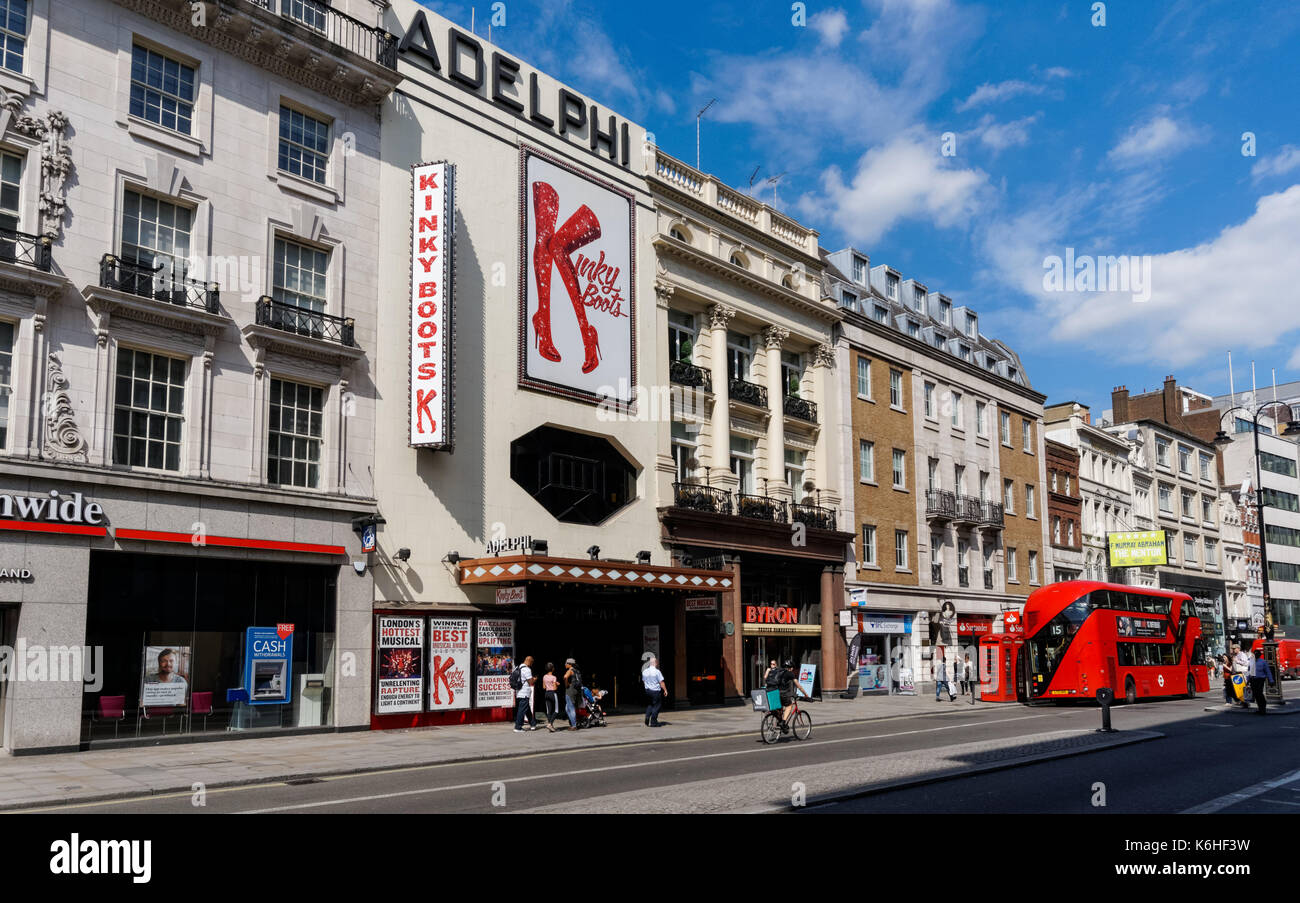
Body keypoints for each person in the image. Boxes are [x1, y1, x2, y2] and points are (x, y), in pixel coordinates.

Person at [768, 659, 809, 732]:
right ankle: (783, 722)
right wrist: (806, 695)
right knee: (789, 706)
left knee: (779, 708)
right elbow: (799, 686)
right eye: (792, 667)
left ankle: (779, 722)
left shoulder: (778, 671)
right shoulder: (790, 673)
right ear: (790, 667)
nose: (792, 669)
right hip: (783, 693)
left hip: (774, 692)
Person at [513, 655, 537, 732]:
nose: (531, 665)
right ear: (530, 661)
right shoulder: (527, 669)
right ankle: (518, 727)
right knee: (522, 710)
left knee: (526, 709)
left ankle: (532, 724)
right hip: (524, 692)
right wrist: (535, 679)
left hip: (519, 692)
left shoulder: (518, 667)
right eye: (532, 663)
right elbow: (530, 682)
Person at [643, 655, 668, 727]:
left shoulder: (645, 671)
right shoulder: (657, 672)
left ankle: (647, 717)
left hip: (648, 691)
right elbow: (661, 682)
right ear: (655, 663)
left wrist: (647, 688)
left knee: (650, 704)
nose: (657, 663)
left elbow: (644, 681)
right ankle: (653, 722)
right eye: (656, 662)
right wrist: (665, 690)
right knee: (657, 706)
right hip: (655, 691)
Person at [1249, 650, 1275, 716]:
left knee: (1259, 693)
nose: (1255, 655)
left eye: (1256, 654)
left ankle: (1263, 708)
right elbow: (1249, 671)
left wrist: (1271, 680)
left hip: (1260, 679)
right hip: (1253, 679)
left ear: (1259, 655)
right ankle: (1260, 708)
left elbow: (1268, 671)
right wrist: (1247, 680)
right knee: (1255, 694)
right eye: (1254, 654)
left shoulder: (1263, 662)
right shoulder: (1251, 661)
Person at [563, 657, 583, 730]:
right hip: (576, 691)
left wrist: (566, 684)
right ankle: (573, 723)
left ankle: (574, 725)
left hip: (570, 690)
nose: (565, 664)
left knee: (571, 708)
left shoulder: (570, 670)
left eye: (566, 663)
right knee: (567, 708)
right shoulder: (576, 671)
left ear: (570, 664)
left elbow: (565, 677)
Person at [541, 662, 560, 732]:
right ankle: (550, 724)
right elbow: (555, 688)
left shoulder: (544, 676)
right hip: (553, 693)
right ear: (552, 669)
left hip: (546, 693)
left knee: (549, 711)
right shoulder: (554, 677)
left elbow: (543, 687)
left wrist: (550, 684)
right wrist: (556, 684)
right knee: (556, 710)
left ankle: (551, 726)